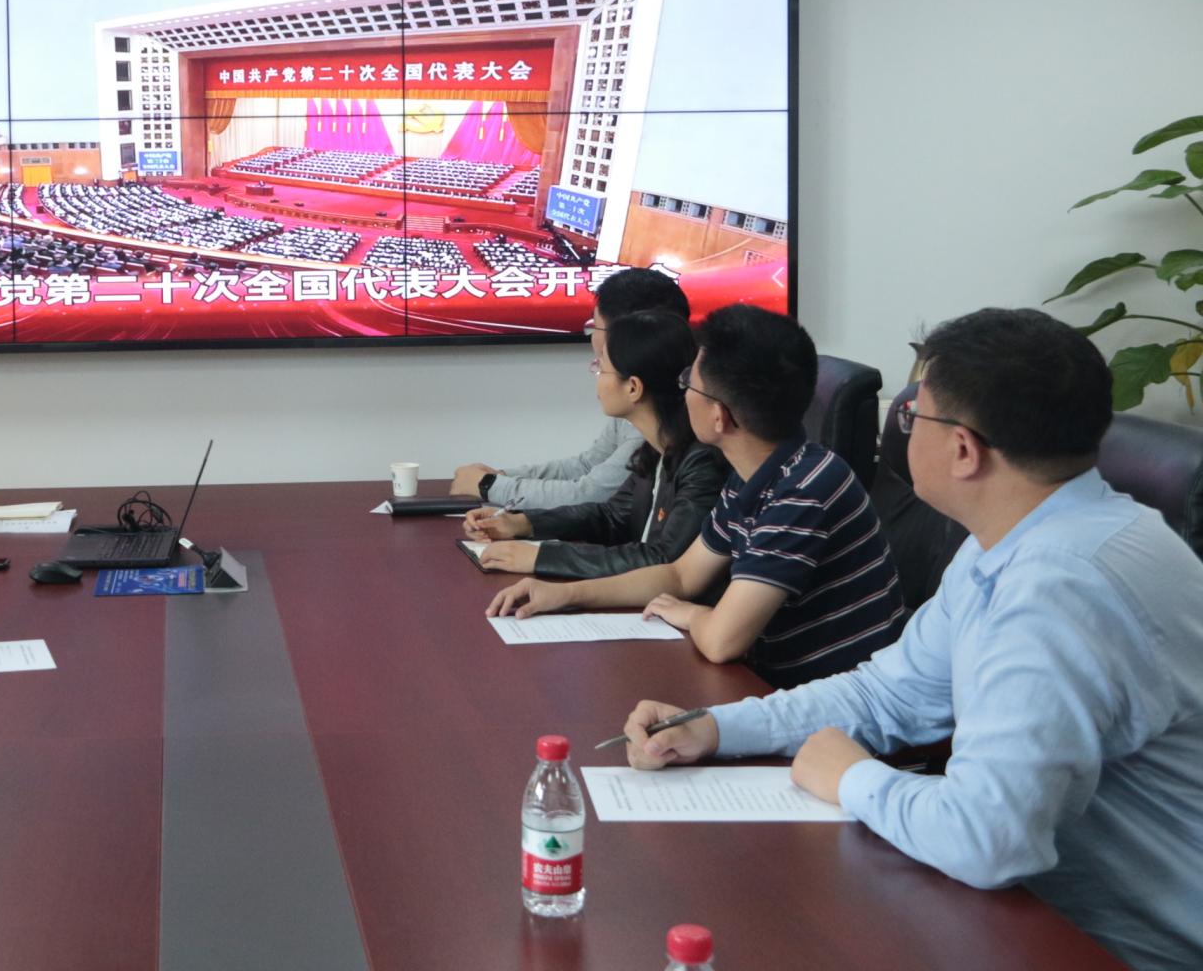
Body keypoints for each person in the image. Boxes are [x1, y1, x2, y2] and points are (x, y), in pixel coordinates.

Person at [617, 309, 1203, 971]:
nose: (897, 430)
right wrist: (716, 728)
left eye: (912, 415)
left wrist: (852, 777)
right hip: (1030, 914)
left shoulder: (1055, 590)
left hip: (1110, 947)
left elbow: (988, 838)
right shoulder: (1017, 541)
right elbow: (886, 695)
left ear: (963, 450)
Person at [487, 305, 904, 688]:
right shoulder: (758, 471)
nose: (681, 391)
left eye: (689, 382)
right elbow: (681, 575)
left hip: (829, 704)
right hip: (773, 684)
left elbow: (722, 640)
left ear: (719, 417)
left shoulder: (802, 491)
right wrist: (566, 594)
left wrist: (690, 613)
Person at [462, 310, 726, 580]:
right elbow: (611, 515)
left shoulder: (701, 462)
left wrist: (541, 557)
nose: (596, 376)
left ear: (633, 387)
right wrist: (522, 522)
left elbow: (662, 560)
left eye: (601, 368)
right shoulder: (654, 449)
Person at [450, 267, 689, 509]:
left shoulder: (657, 411)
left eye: (595, 327)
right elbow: (587, 466)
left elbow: (592, 494)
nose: (592, 339)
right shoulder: (638, 400)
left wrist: (489, 486)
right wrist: (500, 477)